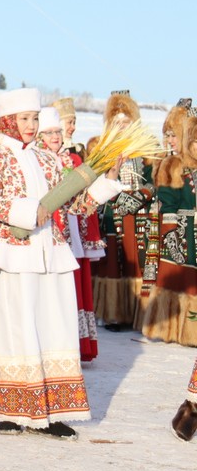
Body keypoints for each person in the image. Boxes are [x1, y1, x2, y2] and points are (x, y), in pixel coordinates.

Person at [0, 88, 123, 440]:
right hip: (10, 255)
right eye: (24, 118)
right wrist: (30, 212)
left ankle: (56, 410)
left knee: (56, 328)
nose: (31, 125)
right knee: (15, 329)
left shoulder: (50, 159)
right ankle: (16, 410)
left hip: (51, 254)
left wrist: (108, 181)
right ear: (8, 120)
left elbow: (74, 205)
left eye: (35, 118)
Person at [38, 106, 99, 362]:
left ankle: (72, 346)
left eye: (58, 131)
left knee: (69, 289)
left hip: (69, 233)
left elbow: (83, 201)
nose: (55, 136)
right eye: (49, 132)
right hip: (44, 232)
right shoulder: (34, 160)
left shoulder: (72, 161)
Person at [91, 90, 152, 330]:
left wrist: (141, 195)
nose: (122, 127)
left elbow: (153, 179)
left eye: (126, 123)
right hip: (111, 213)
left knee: (135, 261)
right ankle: (114, 312)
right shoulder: (103, 151)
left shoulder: (145, 150)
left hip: (138, 216)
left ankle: (137, 313)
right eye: (117, 123)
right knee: (113, 262)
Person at [142, 111, 197, 346]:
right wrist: (172, 235)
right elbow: (168, 202)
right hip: (183, 233)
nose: (170, 141)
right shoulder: (174, 165)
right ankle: (178, 329)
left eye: (175, 135)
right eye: (167, 135)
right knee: (183, 282)